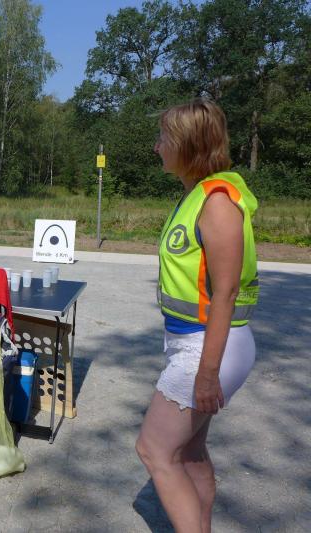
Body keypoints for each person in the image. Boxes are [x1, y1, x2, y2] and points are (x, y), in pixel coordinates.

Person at [135, 99, 259, 533]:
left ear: (188, 145)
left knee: (154, 450)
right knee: (187, 453)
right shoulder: (195, 196)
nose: (157, 147)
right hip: (195, 343)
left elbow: (225, 293)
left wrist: (207, 375)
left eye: (164, 139)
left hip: (208, 347)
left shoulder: (217, 203)